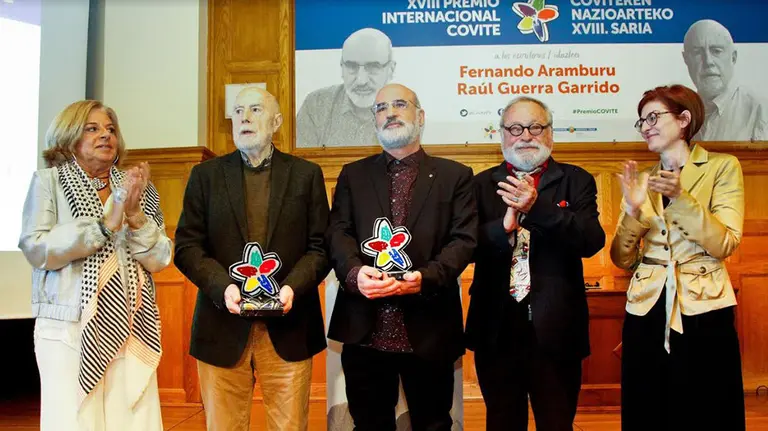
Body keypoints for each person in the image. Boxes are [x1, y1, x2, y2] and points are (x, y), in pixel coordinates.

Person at [174, 86, 329, 431]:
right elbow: (187, 247)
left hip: (289, 328)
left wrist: (290, 288)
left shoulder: (306, 175)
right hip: (221, 324)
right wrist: (222, 288)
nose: (244, 117)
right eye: (239, 111)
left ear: (276, 121)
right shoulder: (206, 176)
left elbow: (320, 247)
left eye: (255, 110)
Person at [326, 83, 477, 430]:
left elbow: (464, 240)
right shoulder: (353, 174)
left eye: (399, 105)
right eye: (380, 108)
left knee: (433, 424)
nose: (390, 112)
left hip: (429, 326)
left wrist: (426, 277)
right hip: (364, 328)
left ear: (420, 116)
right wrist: (354, 274)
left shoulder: (455, 176)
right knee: (369, 424)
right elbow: (338, 232)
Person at [19, 100, 171, 430]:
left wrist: (133, 215)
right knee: (75, 421)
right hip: (67, 327)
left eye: (111, 129)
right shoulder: (49, 182)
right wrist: (102, 227)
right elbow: (36, 247)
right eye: (93, 128)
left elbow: (159, 258)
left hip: (131, 325)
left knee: (130, 421)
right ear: (69, 136)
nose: (105, 135)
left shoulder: (136, 187)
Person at [465, 96, 605, 431]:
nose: (525, 135)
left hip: (556, 328)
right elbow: (465, 245)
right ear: (502, 135)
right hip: (496, 329)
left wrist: (537, 207)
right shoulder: (480, 184)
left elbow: (590, 241)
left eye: (535, 127)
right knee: (501, 422)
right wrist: (503, 228)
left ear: (550, 134)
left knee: (556, 423)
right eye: (515, 128)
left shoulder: (576, 179)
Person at [611, 84, 746, 430]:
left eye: (654, 117)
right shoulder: (643, 181)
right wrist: (631, 210)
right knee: (647, 404)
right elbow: (622, 259)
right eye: (641, 121)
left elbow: (725, 243)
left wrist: (682, 199)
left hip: (704, 304)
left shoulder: (722, 167)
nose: (646, 127)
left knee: (706, 405)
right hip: (646, 306)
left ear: (684, 119)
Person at [296, 27, 396, 148]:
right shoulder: (316, 106)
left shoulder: (407, 108)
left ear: (391, 69)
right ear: (342, 68)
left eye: (373, 67)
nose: (361, 80)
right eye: (351, 66)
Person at [682, 19, 767, 141]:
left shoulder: (761, 111)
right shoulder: (678, 114)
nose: (708, 62)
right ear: (686, 59)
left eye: (716, 51)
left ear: (733, 57)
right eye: (697, 53)